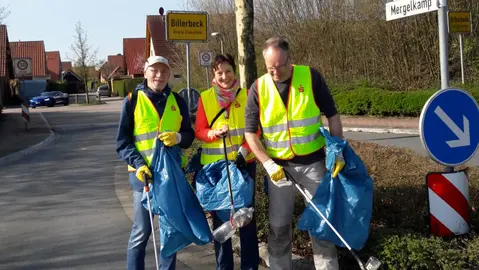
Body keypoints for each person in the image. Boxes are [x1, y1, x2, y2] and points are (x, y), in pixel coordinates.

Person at [244, 37, 345, 270]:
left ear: (290, 59)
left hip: (313, 163)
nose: (275, 72)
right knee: (278, 227)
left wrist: (336, 148)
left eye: (280, 66)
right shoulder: (258, 88)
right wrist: (267, 163)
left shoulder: (311, 77)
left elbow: (333, 115)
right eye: (270, 67)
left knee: (322, 224)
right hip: (279, 170)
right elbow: (250, 133)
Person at [116, 55, 195, 270]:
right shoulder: (133, 100)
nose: (159, 75)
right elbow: (122, 142)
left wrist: (178, 138)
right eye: (154, 70)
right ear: (145, 72)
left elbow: (189, 136)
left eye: (164, 71)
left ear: (169, 75)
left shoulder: (177, 101)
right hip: (144, 176)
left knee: (170, 233)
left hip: (171, 177)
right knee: (142, 231)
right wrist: (138, 164)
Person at [194, 53, 260, 270]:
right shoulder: (205, 98)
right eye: (219, 72)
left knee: (246, 219)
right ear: (214, 74)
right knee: (222, 222)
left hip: (244, 165)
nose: (224, 76)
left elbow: (256, 129)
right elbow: (199, 131)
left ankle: (249, 266)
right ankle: (224, 267)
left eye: (228, 71)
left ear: (235, 72)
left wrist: (245, 150)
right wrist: (213, 133)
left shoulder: (248, 95)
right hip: (216, 170)